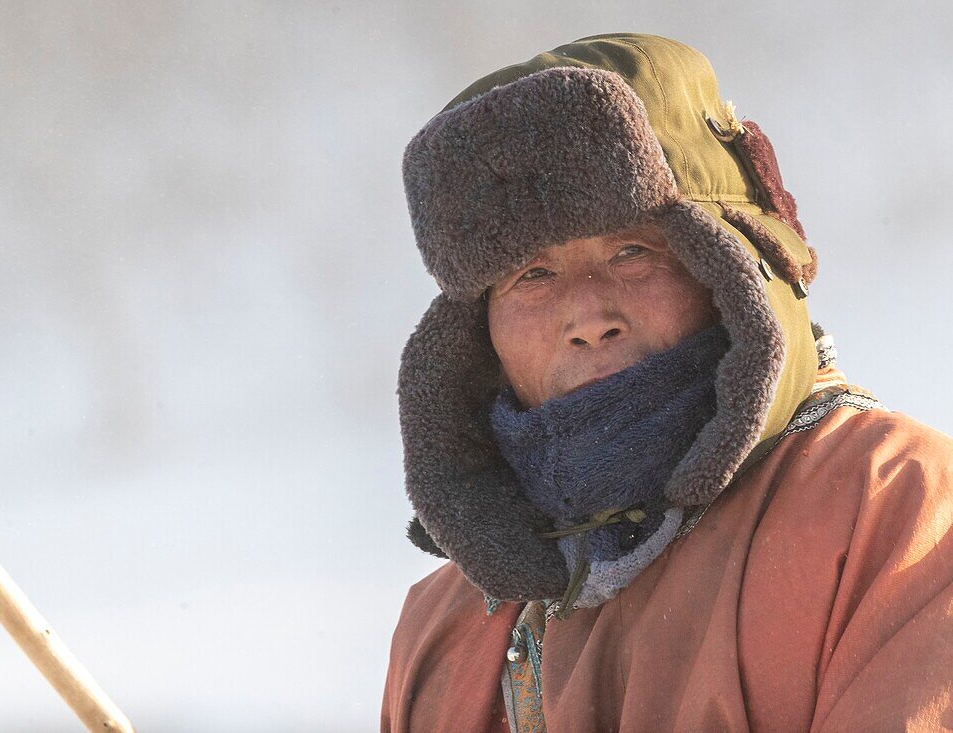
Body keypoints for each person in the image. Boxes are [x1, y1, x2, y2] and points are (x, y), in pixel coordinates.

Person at [381, 33, 953, 732]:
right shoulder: (444, 626)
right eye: (533, 273)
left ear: (728, 270)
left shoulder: (894, 508)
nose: (588, 316)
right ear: (480, 337)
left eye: (633, 251)